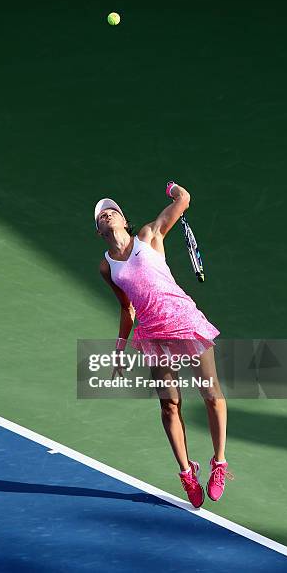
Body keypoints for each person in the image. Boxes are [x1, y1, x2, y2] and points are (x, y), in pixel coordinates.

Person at [95, 182, 233, 508]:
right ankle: (186, 473)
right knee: (169, 405)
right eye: (101, 216)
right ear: (99, 231)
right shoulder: (107, 267)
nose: (107, 215)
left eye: (112, 211)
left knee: (211, 396)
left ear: (124, 220)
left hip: (185, 322)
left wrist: (174, 190)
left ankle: (219, 463)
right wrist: (118, 349)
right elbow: (126, 309)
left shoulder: (149, 236)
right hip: (153, 335)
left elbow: (183, 200)